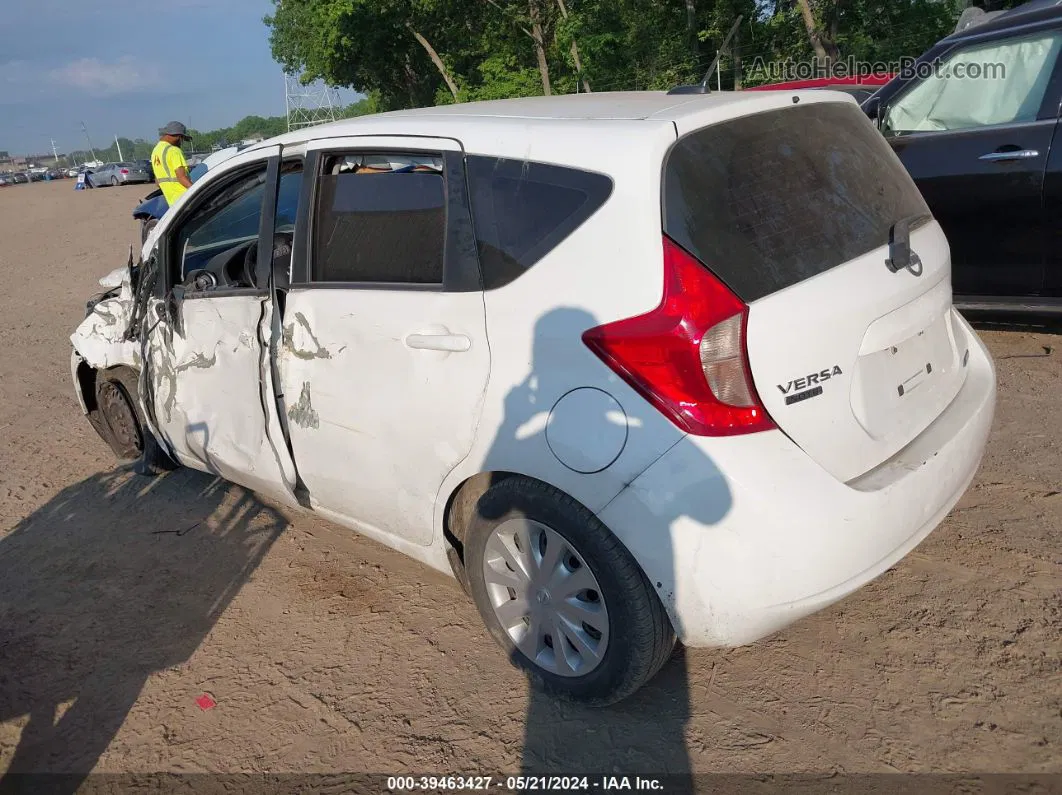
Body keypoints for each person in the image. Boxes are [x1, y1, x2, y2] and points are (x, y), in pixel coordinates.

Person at [151, 121, 193, 207]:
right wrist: (197, 191)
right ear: (178, 136)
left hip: (173, 204)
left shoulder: (155, 152)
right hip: (185, 199)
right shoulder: (174, 151)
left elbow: (157, 182)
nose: (181, 142)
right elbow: (182, 178)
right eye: (182, 138)